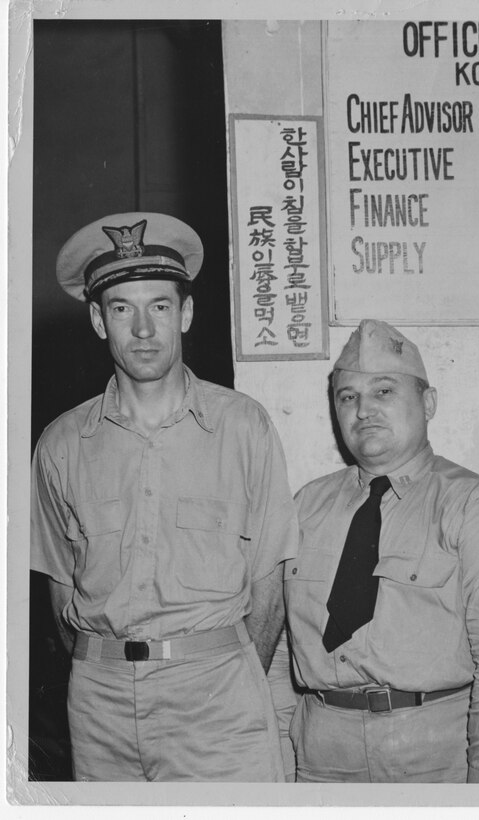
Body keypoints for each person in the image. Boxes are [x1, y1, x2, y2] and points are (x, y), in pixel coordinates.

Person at [30, 212, 297, 781]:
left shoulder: (243, 427)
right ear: (99, 321)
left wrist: (222, 677)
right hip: (98, 705)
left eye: (160, 306)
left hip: (217, 699)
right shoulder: (60, 444)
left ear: (187, 314)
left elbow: (270, 588)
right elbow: (60, 591)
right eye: (123, 308)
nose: (144, 330)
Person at [282, 319, 479, 783]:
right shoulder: (306, 506)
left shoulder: (472, 505)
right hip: (321, 751)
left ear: (428, 403)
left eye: (383, 392)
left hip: (435, 752)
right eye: (348, 397)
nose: (364, 411)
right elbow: (282, 651)